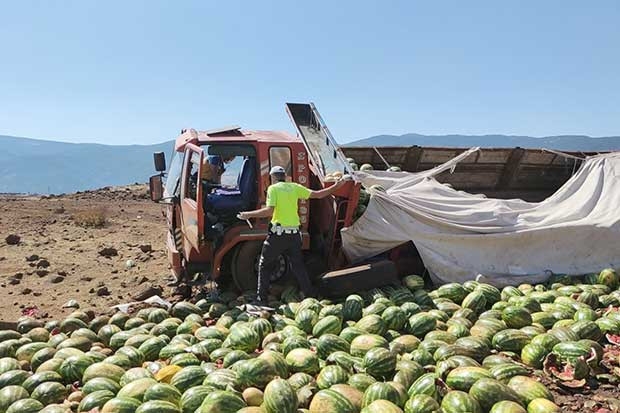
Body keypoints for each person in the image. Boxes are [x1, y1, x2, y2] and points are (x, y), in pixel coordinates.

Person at [238, 165, 346, 303]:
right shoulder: (294, 187)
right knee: (298, 266)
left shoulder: (273, 189)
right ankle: (310, 295)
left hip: (278, 235)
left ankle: (261, 299)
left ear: (272, 177)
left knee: (264, 265)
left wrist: (248, 215)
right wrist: (337, 186)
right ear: (284, 176)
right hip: (294, 235)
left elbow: (269, 211)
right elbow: (318, 194)